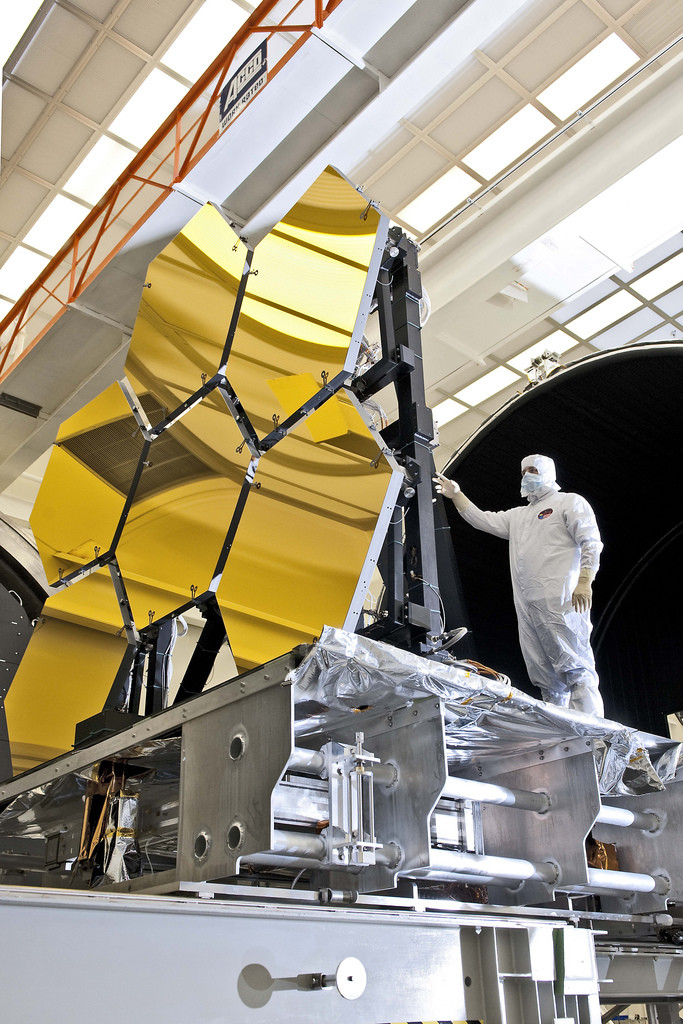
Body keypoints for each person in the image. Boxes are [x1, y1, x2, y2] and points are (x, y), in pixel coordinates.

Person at [435, 455, 604, 716]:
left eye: (533, 470)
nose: (527, 475)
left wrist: (585, 580)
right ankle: (560, 732)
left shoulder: (568, 502)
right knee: (545, 675)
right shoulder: (519, 516)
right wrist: (457, 495)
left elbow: (590, 541)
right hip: (528, 607)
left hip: (561, 600)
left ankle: (593, 733)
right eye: (524, 471)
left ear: (548, 472)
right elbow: (483, 519)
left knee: (575, 666)